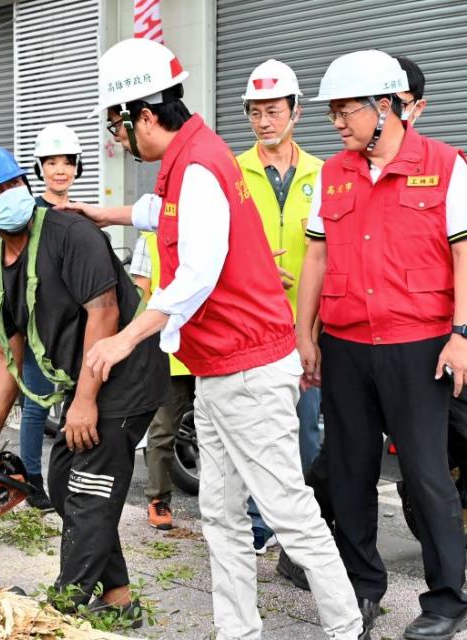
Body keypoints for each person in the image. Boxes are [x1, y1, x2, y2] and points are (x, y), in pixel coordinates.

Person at [71, 38, 364, 640]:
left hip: (250, 368)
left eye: (118, 129)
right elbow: (169, 212)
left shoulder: (199, 166)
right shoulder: (190, 159)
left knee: (287, 510)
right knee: (221, 514)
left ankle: (345, 626)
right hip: (221, 369)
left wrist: (126, 338)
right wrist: (112, 215)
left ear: (144, 116)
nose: (119, 141)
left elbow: (198, 273)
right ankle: (238, 630)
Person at [297, 49, 467, 640]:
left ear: (387, 106)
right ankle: (362, 588)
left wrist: (461, 335)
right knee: (349, 471)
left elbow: (465, 254)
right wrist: (305, 332)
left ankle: (446, 598)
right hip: (345, 345)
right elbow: (316, 254)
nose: (338, 122)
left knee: (425, 474)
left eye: (347, 110)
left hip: (419, 344)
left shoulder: (446, 166)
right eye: (334, 112)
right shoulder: (332, 173)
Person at [0, 145, 169, 625]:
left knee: (89, 487)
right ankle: (118, 598)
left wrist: (85, 401)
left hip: (125, 372)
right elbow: (4, 353)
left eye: (10, 186)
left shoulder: (69, 232)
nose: (5, 197)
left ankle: (64, 606)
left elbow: (106, 312)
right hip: (86, 383)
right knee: (60, 481)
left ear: (25, 185)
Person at [236, 59, 324, 558]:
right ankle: (256, 524)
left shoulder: (323, 173)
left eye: (273, 111)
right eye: (255, 113)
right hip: (249, 328)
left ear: (295, 112)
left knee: (305, 432)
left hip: (304, 328)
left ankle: (302, 528)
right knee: (255, 433)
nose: (264, 122)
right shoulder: (232, 171)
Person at [16, 123, 87, 512]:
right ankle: (31, 479)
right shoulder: (28, 215)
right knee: (37, 403)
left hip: (75, 324)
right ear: (40, 167)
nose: (60, 170)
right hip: (40, 323)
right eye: (52, 162)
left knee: (76, 402)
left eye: (67, 163)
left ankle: (70, 478)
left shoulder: (81, 212)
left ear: (77, 167)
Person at [129, 232, 192, 531]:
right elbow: (141, 294)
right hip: (170, 350)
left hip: (215, 347)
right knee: (164, 429)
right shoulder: (150, 237)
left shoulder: (215, 218)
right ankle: (158, 499)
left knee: (223, 431)